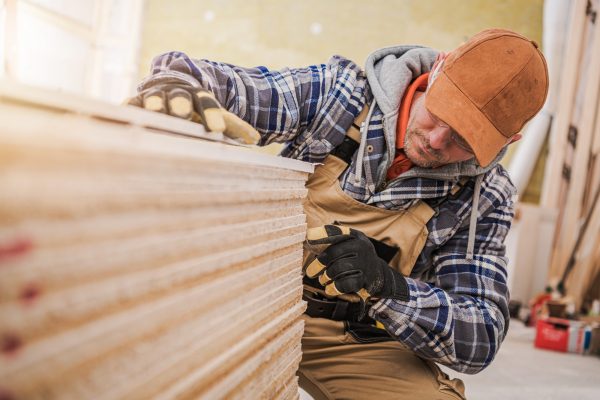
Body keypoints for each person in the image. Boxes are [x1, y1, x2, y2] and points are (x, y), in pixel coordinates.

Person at [129, 28, 548, 399]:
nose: (437, 140)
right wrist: (175, 83)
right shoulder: (340, 96)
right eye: (440, 114)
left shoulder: (485, 195)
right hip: (254, 297)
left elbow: (480, 337)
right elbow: (226, 85)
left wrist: (389, 287)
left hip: (352, 334)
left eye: (463, 138)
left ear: (509, 140)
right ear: (436, 70)